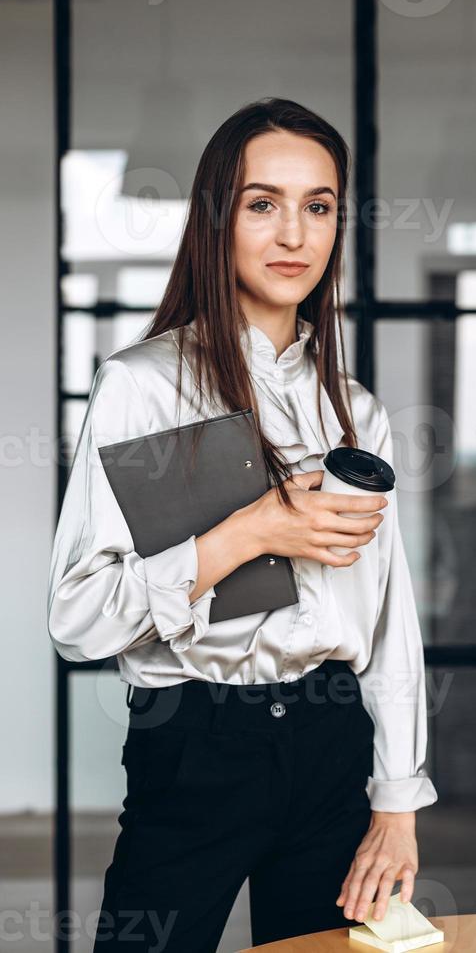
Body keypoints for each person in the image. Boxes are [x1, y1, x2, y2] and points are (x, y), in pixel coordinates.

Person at [47, 96, 438, 951]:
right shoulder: (141, 387)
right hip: (195, 745)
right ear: (217, 220)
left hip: (332, 743)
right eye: (263, 204)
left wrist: (397, 803)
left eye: (319, 206)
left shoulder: (356, 413)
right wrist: (254, 530)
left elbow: (387, 623)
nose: (294, 234)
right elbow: (76, 621)